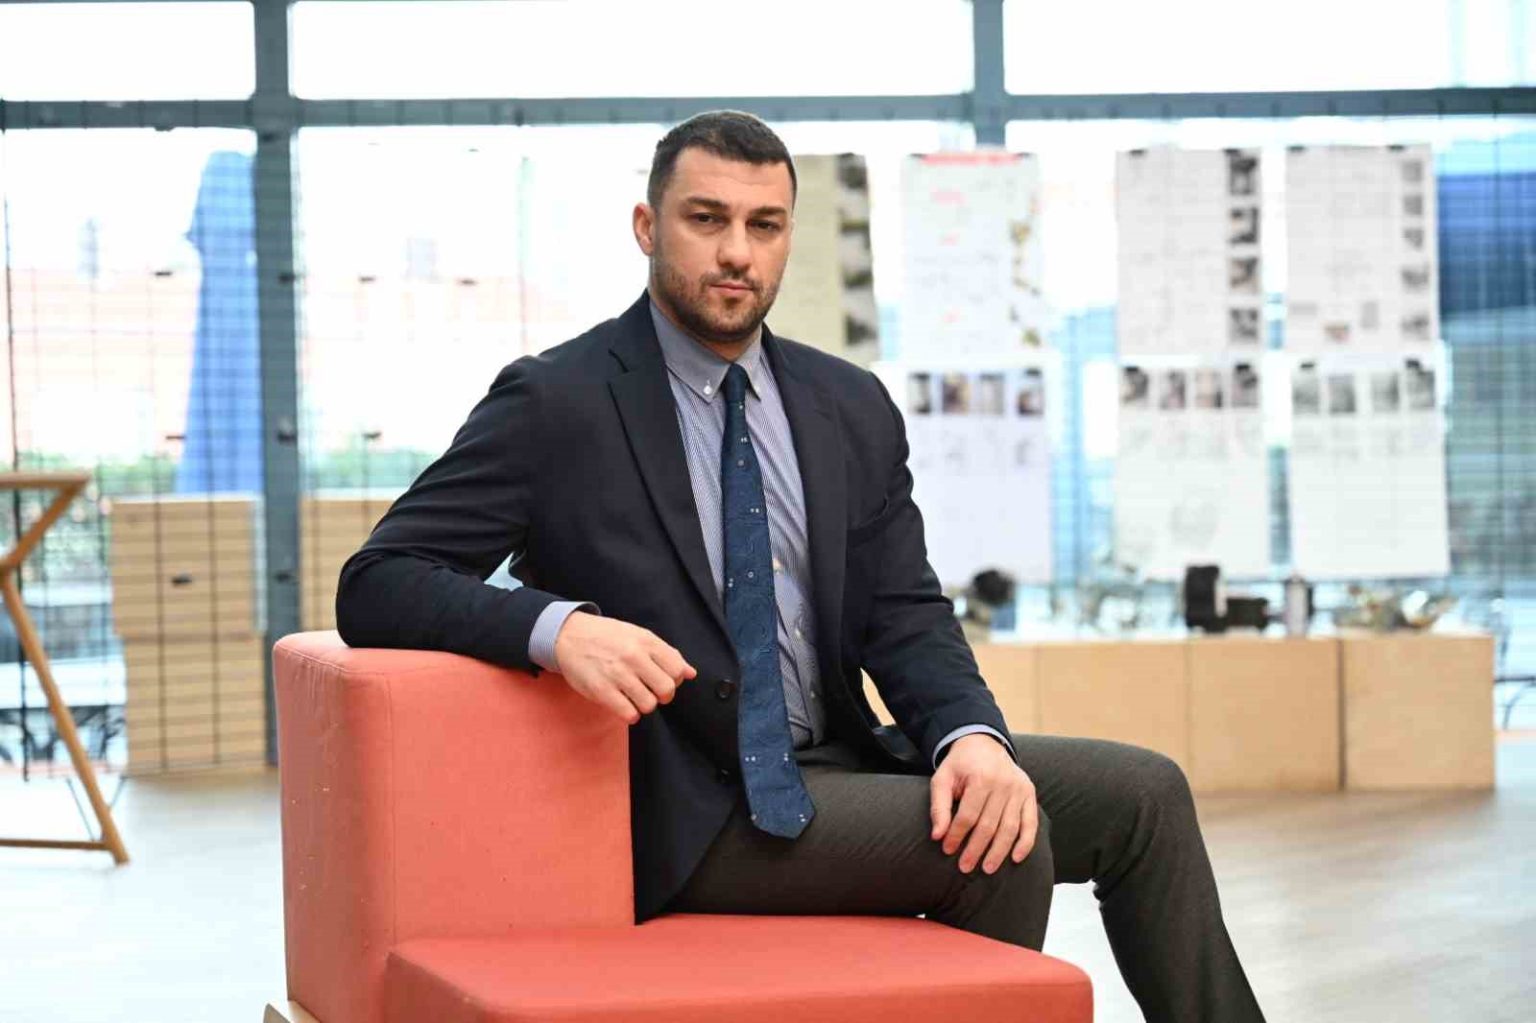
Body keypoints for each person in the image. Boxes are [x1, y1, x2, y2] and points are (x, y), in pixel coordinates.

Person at [335, 111, 1266, 1023]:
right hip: (694, 809)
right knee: (999, 846)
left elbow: (905, 613)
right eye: (707, 220)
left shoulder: (847, 405)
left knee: (1143, 795)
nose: (737, 252)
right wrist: (558, 629)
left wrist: (970, 736)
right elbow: (379, 577)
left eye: (764, 225)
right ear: (648, 227)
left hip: (838, 761)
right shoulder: (556, 401)